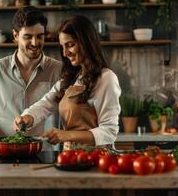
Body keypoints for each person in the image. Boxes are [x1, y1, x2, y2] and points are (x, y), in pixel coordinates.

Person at [14, 15, 121, 148]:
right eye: (62, 47)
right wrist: (27, 117)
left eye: (70, 45)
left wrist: (67, 135)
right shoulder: (71, 79)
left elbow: (109, 132)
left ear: (86, 42)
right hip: (70, 158)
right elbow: (45, 104)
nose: (65, 53)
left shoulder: (106, 78)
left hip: (95, 159)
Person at [0, 6, 62, 145]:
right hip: (4, 152)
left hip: (47, 153)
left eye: (39, 36)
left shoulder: (58, 70)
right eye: (28, 37)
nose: (35, 43)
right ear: (16, 35)